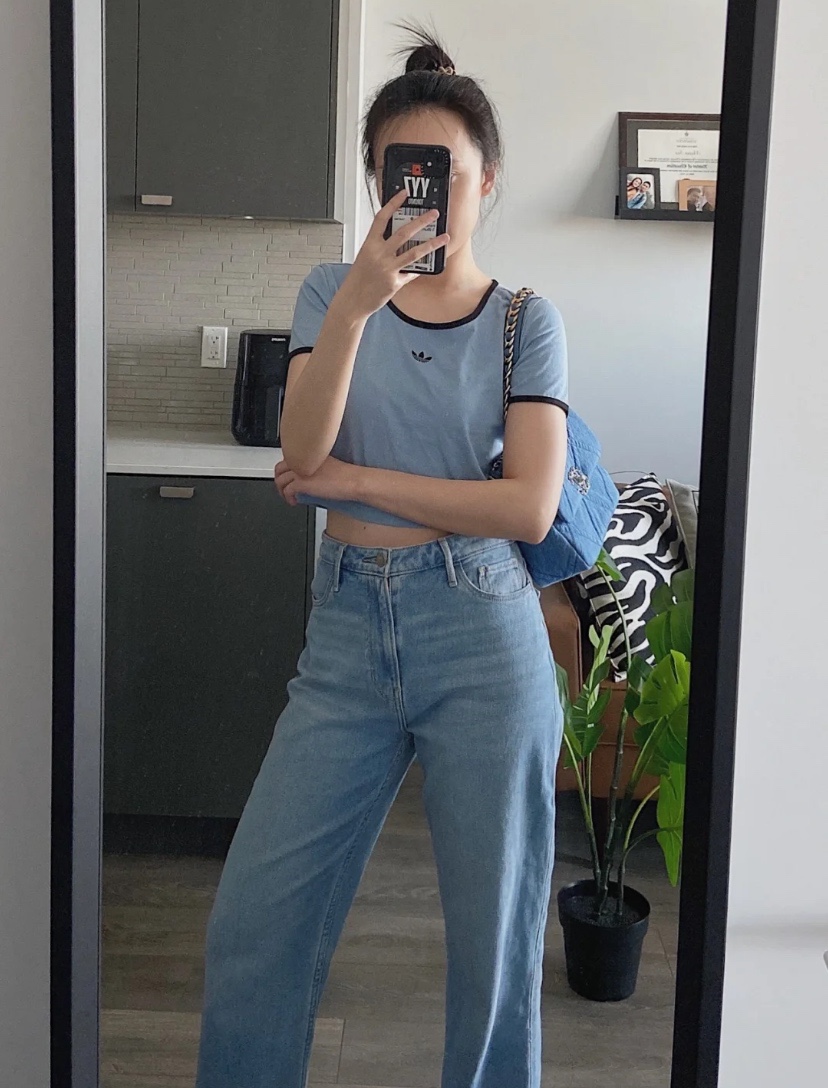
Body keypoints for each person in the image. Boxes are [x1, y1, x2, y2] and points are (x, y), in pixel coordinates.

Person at [194, 25, 567, 1088]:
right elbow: (300, 450)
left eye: (443, 170)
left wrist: (356, 485)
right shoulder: (330, 293)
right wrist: (363, 298)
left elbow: (528, 505)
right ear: (376, 183)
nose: (422, 192)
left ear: (484, 181)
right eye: (400, 172)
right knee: (255, 922)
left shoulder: (525, 322)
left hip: (483, 629)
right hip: (349, 630)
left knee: (494, 950)